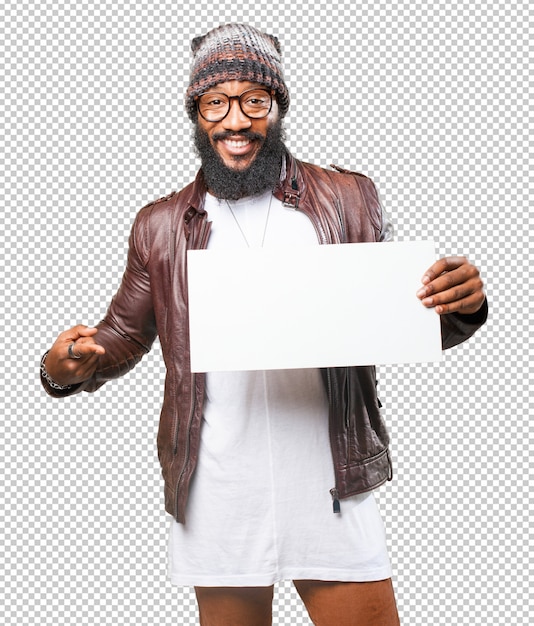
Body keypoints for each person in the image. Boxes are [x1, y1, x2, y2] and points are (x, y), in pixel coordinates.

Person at [40, 23, 487, 626]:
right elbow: (123, 335)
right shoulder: (160, 224)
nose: (235, 121)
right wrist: (69, 365)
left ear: (277, 106)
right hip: (219, 478)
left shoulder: (349, 197)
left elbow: (399, 315)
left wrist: (458, 306)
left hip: (331, 472)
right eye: (215, 102)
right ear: (196, 114)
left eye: (254, 99)